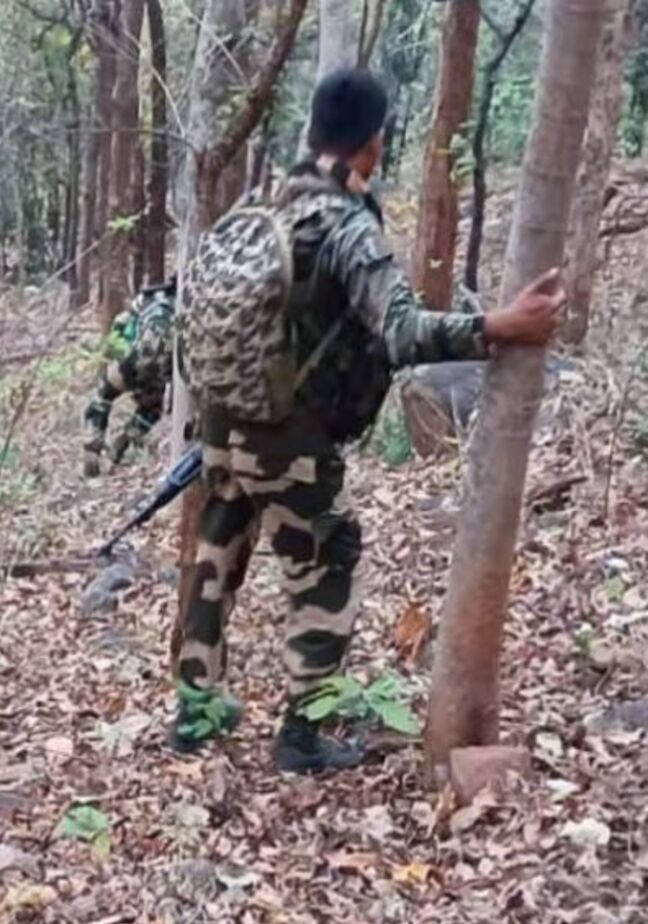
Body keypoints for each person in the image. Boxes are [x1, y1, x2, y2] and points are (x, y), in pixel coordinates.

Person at [170, 69, 564, 773]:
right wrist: (499, 325)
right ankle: (303, 733)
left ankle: (194, 711)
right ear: (372, 146)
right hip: (289, 438)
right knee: (329, 559)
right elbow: (403, 333)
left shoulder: (262, 204)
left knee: (216, 558)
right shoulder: (345, 226)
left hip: (221, 426)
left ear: (313, 131)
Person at [85, 279, 176, 477]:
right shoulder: (183, 304)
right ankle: (121, 446)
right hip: (160, 373)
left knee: (103, 394)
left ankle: (93, 443)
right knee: (150, 410)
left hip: (132, 363)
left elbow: (122, 325)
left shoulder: (147, 299)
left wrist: (116, 355)